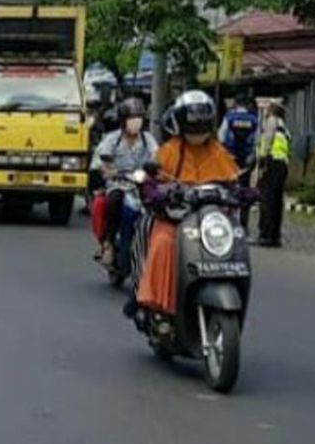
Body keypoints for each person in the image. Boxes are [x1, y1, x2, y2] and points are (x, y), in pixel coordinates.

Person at [132, 91, 239, 317]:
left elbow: (234, 181)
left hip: (211, 219)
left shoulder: (219, 152)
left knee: (237, 241)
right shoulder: (169, 150)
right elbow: (152, 181)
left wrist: (247, 193)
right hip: (178, 218)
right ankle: (148, 300)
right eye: (192, 127)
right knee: (162, 240)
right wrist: (158, 192)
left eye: (202, 126)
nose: (197, 133)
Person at [92, 97, 157, 264]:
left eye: (138, 119)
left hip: (142, 185)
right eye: (131, 119)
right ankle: (108, 243)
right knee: (114, 201)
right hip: (118, 184)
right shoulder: (113, 139)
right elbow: (98, 160)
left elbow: (158, 157)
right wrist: (107, 170)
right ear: (123, 121)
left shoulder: (147, 140)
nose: (135, 123)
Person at [218, 93, 261, 232]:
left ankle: (229, 220)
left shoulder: (229, 117)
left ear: (236, 104)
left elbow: (221, 137)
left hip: (230, 159)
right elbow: (257, 140)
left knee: (228, 189)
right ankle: (243, 224)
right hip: (246, 160)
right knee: (244, 190)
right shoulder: (254, 119)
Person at [256, 101, 291, 247]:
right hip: (282, 164)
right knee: (277, 201)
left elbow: (268, 139)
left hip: (272, 162)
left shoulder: (272, 121)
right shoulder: (284, 127)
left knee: (268, 199)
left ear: (272, 111)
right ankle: (275, 235)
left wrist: (262, 158)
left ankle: (266, 234)